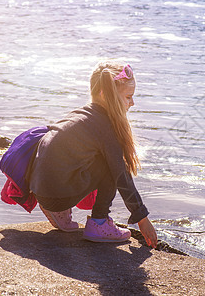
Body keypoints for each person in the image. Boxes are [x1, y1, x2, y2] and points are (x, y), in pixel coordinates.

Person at [25, 61, 158, 248]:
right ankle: (99, 222)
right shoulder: (106, 127)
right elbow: (121, 176)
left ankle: (61, 210)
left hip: (41, 190)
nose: (132, 103)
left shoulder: (82, 115)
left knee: (102, 158)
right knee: (113, 164)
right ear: (106, 95)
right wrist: (142, 218)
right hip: (55, 195)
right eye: (128, 97)